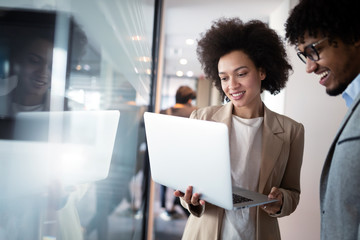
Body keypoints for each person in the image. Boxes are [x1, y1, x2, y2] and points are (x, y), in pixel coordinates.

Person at [173, 18, 305, 240]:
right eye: (224, 78)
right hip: (205, 233)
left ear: (262, 72)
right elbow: (188, 185)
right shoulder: (201, 119)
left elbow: (293, 192)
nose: (231, 85)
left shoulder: (292, 131)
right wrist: (188, 200)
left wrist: (281, 200)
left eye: (241, 74)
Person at [285, 0, 360, 239]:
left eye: (313, 50)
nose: (309, 67)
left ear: (353, 35)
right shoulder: (352, 102)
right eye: (303, 56)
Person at [159, 85, 197, 220]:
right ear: (189, 100)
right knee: (184, 187)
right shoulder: (196, 112)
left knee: (164, 182)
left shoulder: (163, 112)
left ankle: (164, 207)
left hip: (167, 156)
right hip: (187, 159)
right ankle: (183, 208)